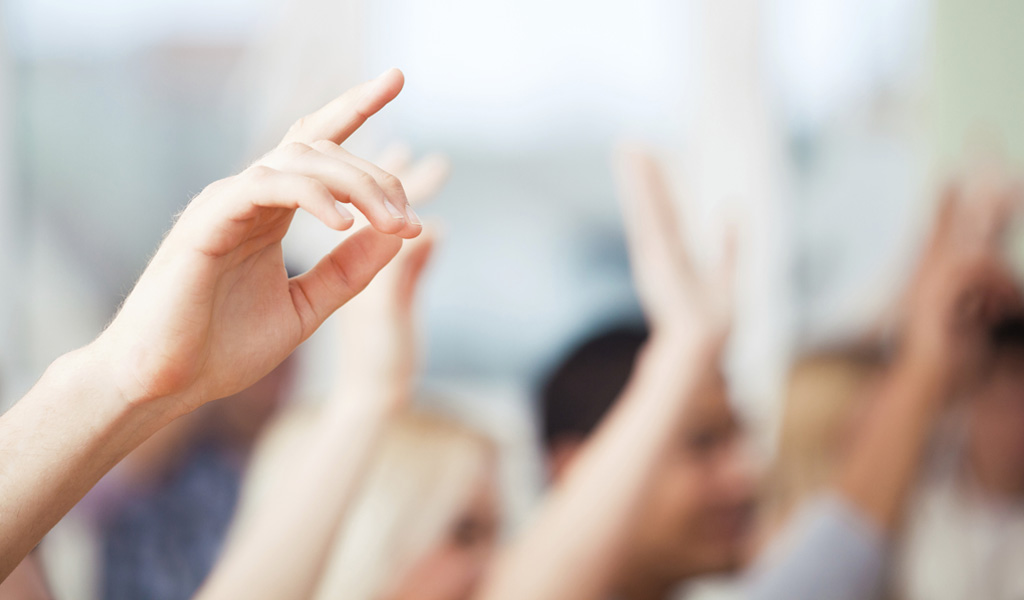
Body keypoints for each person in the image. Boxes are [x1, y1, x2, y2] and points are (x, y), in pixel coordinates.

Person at [0, 67, 419, 583]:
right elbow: (98, 500)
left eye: (288, 364)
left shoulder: (273, 461)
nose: (273, 379)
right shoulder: (169, 462)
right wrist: (135, 376)